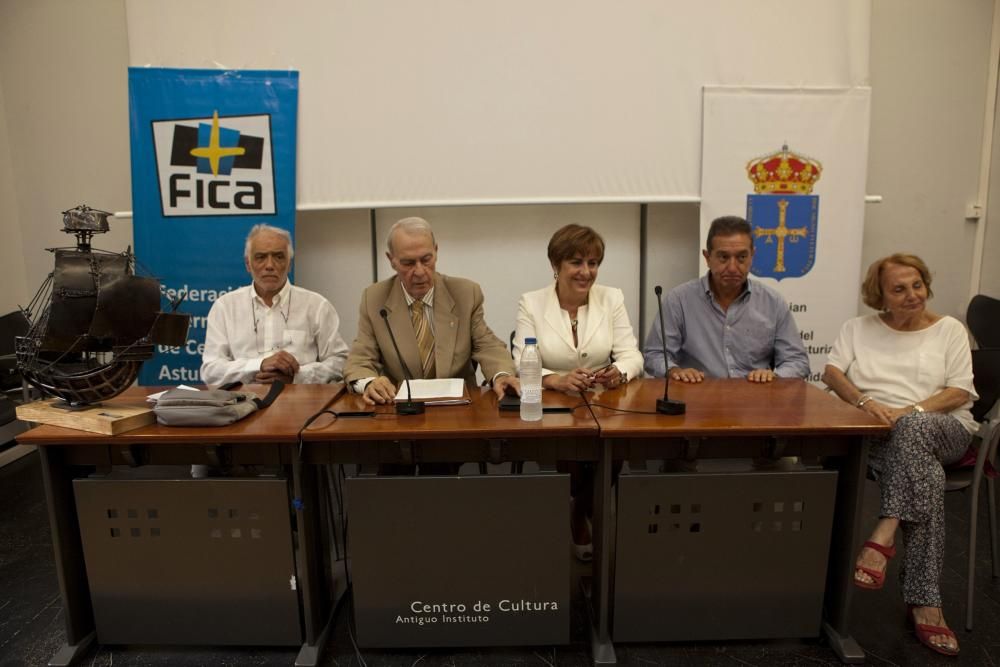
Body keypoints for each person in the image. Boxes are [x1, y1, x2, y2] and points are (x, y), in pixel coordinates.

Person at [823, 253, 977, 657]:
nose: (912, 295)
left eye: (917, 285)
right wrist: (864, 400)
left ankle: (884, 532)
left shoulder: (949, 330)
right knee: (926, 478)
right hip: (877, 433)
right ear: (880, 297)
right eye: (899, 289)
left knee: (913, 432)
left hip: (943, 428)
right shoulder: (857, 328)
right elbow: (832, 372)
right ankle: (925, 603)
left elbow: (960, 391)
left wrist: (910, 412)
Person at [513, 224, 643, 560]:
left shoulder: (611, 298)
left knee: (613, 448)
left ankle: (579, 508)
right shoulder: (531, 302)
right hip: (555, 403)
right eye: (576, 262)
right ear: (556, 264)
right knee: (569, 448)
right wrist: (555, 379)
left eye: (593, 262)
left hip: (603, 401)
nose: (586, 272)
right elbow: (520, 361)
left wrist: (619, 371)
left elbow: (632, 354)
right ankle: (580, 509)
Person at [345, 217, 518, 403]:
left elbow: (487, 345)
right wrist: (370, 382)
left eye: (426, 260)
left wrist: (501, 375)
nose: (419, 272)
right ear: (391, 260)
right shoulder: (374, 299)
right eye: (408, 263)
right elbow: (360, 358)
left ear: (436, 251)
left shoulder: (466, 294)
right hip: (400, 410)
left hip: (458, 410)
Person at [643, 215, 809, 383]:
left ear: (752, 256)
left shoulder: (772, 303)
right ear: (707, 258)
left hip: (755, 401)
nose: (732, 267)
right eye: (723, 257)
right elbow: (654, 355)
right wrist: (674, 371)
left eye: (741, 257)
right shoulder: (679, 300)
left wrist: (774, 375)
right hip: (696, 398)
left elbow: (797, 361)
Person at [201, 224, 349, 386]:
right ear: (248, 264)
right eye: (261, 257)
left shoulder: (316, 305)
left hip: (301, 403)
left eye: (278, 257)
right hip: (241, 404)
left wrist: (297, 376)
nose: (270, 265)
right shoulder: (225, 307)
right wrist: (258, 365)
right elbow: (210, 371)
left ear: (289, 263)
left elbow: (341, 363)